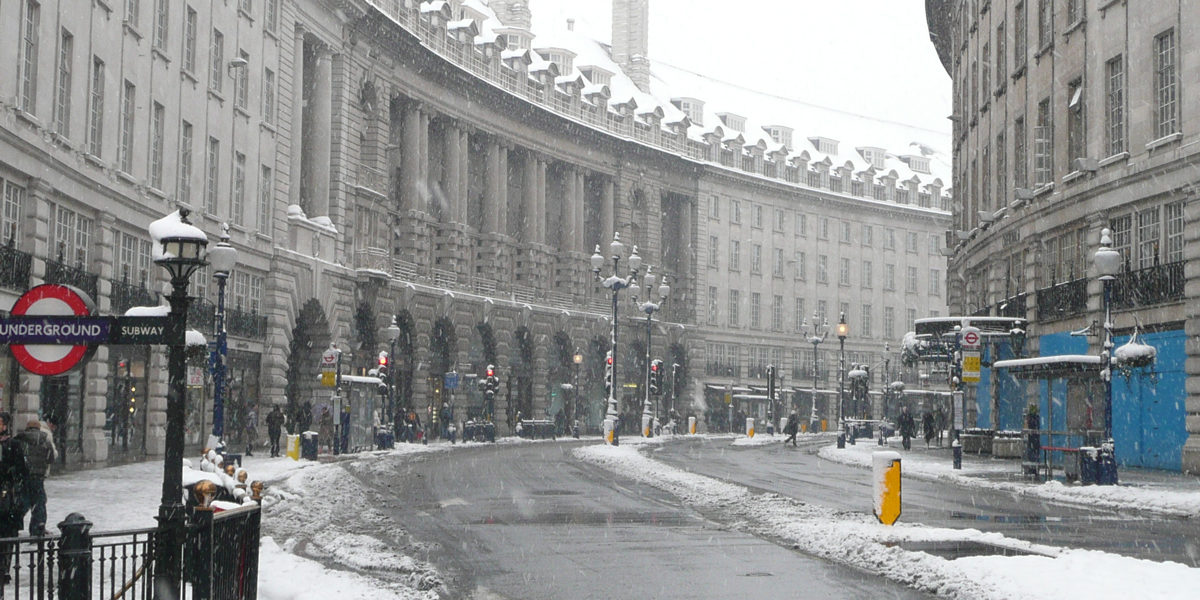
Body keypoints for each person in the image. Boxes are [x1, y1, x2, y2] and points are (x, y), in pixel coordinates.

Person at [0, 413, 30, 583]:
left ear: (5, 425)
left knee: (7, 537)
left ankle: (4, 568)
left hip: (7, 502)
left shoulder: (14, 445)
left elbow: (23, 473)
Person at [15, 419, 54, 537]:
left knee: (21, 503)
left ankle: (12, 527)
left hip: (23, 477)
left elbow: (13, 458)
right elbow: (51, 458)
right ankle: (37, 530)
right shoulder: (45, 441)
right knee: (39, 504)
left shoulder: (19, 440)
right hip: (38, 478)